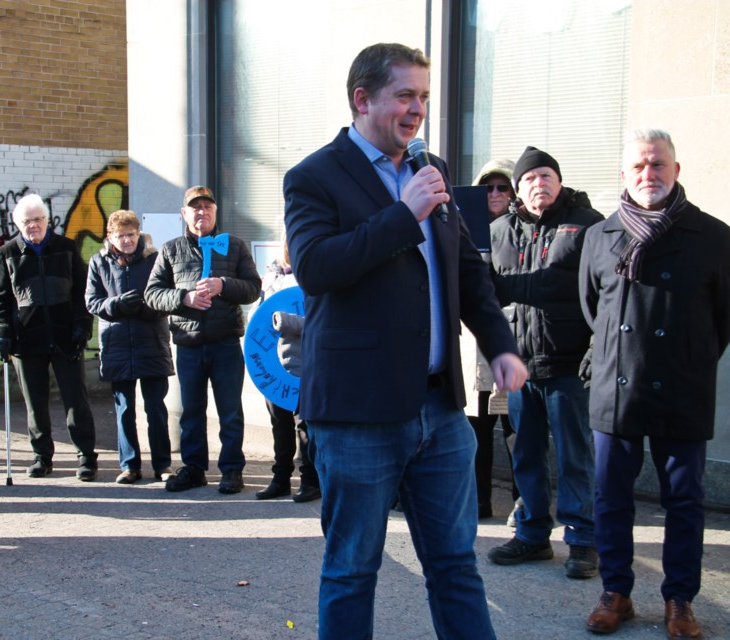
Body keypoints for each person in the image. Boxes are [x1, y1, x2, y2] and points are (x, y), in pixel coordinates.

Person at [283, 43, 527, 639]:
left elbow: (466, 271)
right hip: (357, 414)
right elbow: (316, 267)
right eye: (405, 96)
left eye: (424, 97)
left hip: (440, 412)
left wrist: (499, 342)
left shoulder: (428, 167)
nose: (418, 110)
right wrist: (402, 214)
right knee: (351, 571)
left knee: (454, 566)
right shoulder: (314, 176)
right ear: (362, 99)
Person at [580, 129, 730, 639]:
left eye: (659, 165)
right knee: (611, 497)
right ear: (624, 175)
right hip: (616, 389)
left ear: (676, 170)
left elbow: (723, 320)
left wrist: (689, 358)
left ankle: (679, 600)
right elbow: (590, 311)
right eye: (639, 166)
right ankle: (616, 592)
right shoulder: (600, 237)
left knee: (685, 501)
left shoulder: (714, 237)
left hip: (683, 385)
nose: (649, 174)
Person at [486, 146, 603, 579]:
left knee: (576, 456)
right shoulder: (499, 230)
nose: (540, 184)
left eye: (547, 176)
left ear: (560, 180)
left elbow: (573, 288)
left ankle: (583, 540)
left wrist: (507, 287)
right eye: (530, 179)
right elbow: (487, 291)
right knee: (527, 456)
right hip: (520, 366)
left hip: (570, 363)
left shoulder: (589, 226)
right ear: (519, 189)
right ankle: (533, 535)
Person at [144, 186, 261, 494]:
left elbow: (253, 287)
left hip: (225, 343)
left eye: (207, 207)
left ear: (214, 212)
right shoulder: (170, 250)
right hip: (189, 344)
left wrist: (224, 285)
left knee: (230, 411)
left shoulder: (233, 246)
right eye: (195, 208)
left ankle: (232, 470)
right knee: (192, 412)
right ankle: (194, 468)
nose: (201, 212)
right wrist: (185, 298)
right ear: (184, 214)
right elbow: (152, 294)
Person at [0, 193, 98, 481]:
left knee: (76, 399)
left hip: (66, 337)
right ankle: (42, 456)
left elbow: (81, 293)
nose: (33, 226)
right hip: (27, 340)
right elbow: (0, 300)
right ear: (18, 224)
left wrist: (82, 327)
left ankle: (86, 455)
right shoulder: (7, 253)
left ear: (47, 221)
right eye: (27, 221)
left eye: (38, 219)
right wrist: (3, 333)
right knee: (34, 403)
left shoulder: (66, 247)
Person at [86, 209, 174, 484]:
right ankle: (130, 465)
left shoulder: (155, 260)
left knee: (156, 408)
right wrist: (117, 304)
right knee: (124, 409)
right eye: (120, 236)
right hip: (117, 345)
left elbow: (166, 297)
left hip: (151, 342)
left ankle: (162, 465)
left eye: (131, 235)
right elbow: (92, 302)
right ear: (110, 237)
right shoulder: (98, 262)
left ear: (139, 234)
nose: (126, 240)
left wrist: (146, 307)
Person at [461, 159, 519, 520]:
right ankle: (479, 501)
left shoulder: (523, 230)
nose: (495, 194)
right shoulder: (465, 229)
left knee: (518, 432)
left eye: (503, 187)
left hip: (514, 343)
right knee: (477, 432)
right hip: (475, 348)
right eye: (488, 187)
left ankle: (522, 504)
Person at [253, 241, 320, 503]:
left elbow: (323, 321)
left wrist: (287, 321)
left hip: (308, 366)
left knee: (304, 427)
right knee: (279, 425)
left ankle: (310, 481)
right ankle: (280, 479)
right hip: (275, 367)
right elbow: (260, 320)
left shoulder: (316, 275)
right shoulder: (272, 278)